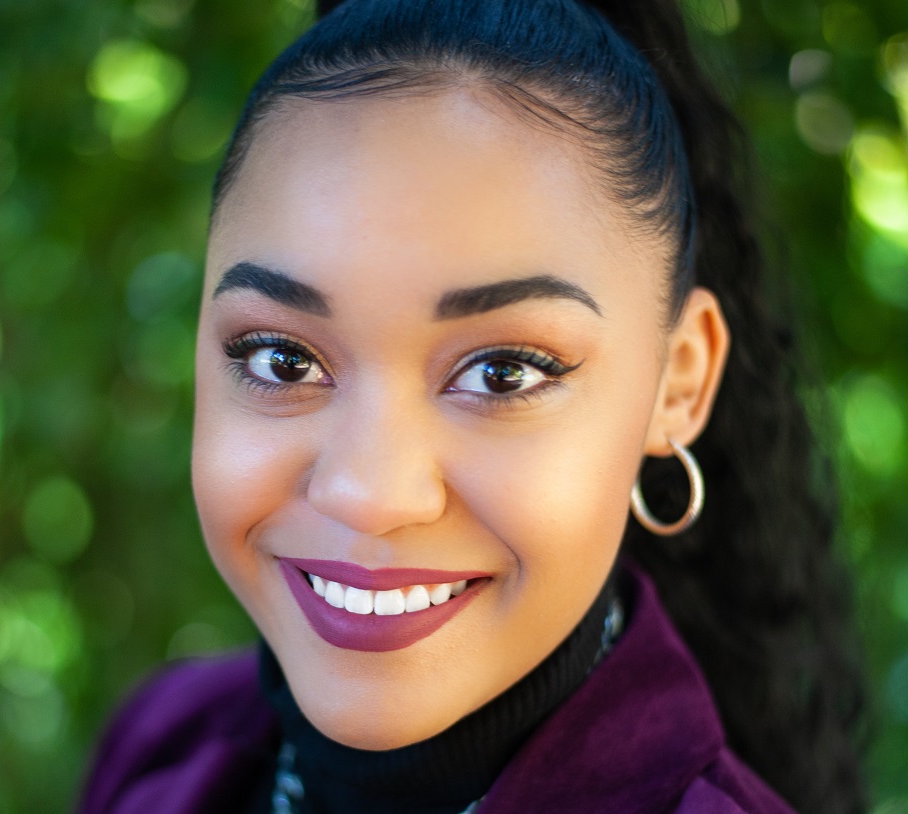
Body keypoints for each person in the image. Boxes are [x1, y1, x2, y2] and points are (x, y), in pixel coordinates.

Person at [78, 0, 869, 811]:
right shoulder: (160, 747)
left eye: (501, 373)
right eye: (284, 360)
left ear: (680, 383)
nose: (370, 493)